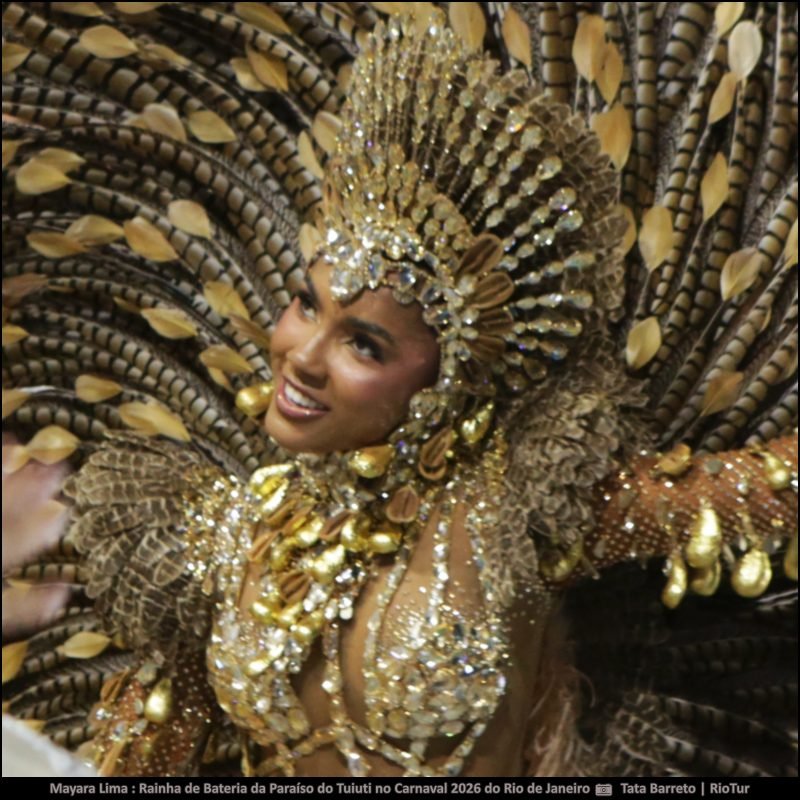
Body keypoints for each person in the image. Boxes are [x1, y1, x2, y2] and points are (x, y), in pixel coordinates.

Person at [2, 2, 796, 779]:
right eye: (307, 304)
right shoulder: (225, 540)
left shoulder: (524, 513)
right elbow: (135, 752)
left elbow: (765, 490)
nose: (302, 357)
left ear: (444, 382)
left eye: (363, 344)